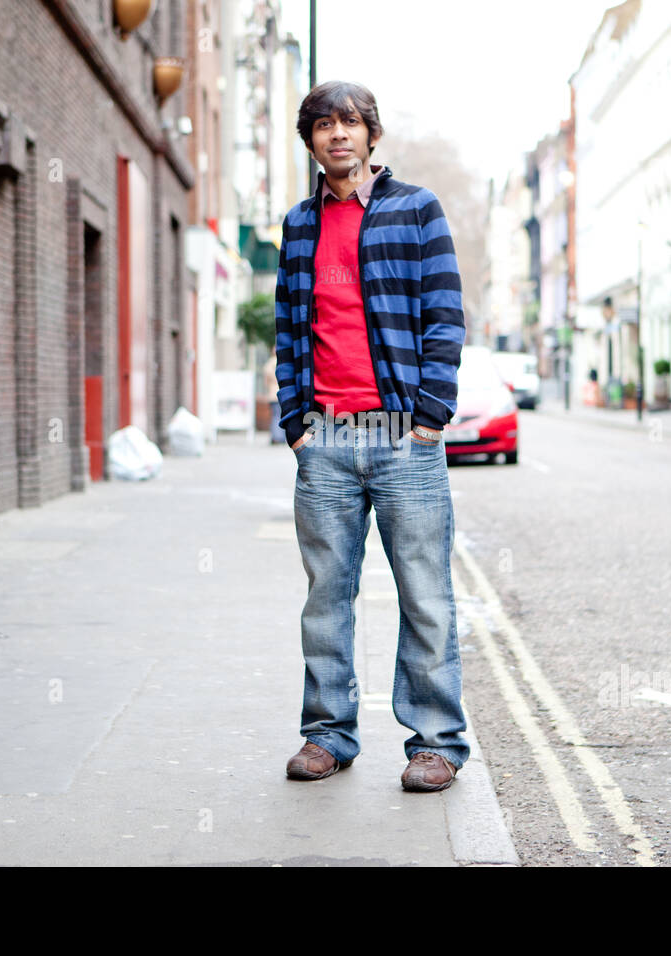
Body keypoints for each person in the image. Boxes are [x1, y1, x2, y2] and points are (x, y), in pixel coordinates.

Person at [273, 80, 468, 792]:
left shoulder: (416, 210)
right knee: (327, 595)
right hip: (323, 441)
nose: (338, 135)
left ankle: (436, 742)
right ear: (312, 141)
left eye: (350, 122)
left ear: (372, 135)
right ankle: (327, 735)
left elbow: (445, 317)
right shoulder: (298, 224)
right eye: (323, 125)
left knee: (425, 593)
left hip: (402, 441)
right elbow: (291, 329)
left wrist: (428, 418)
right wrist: (294, 423)